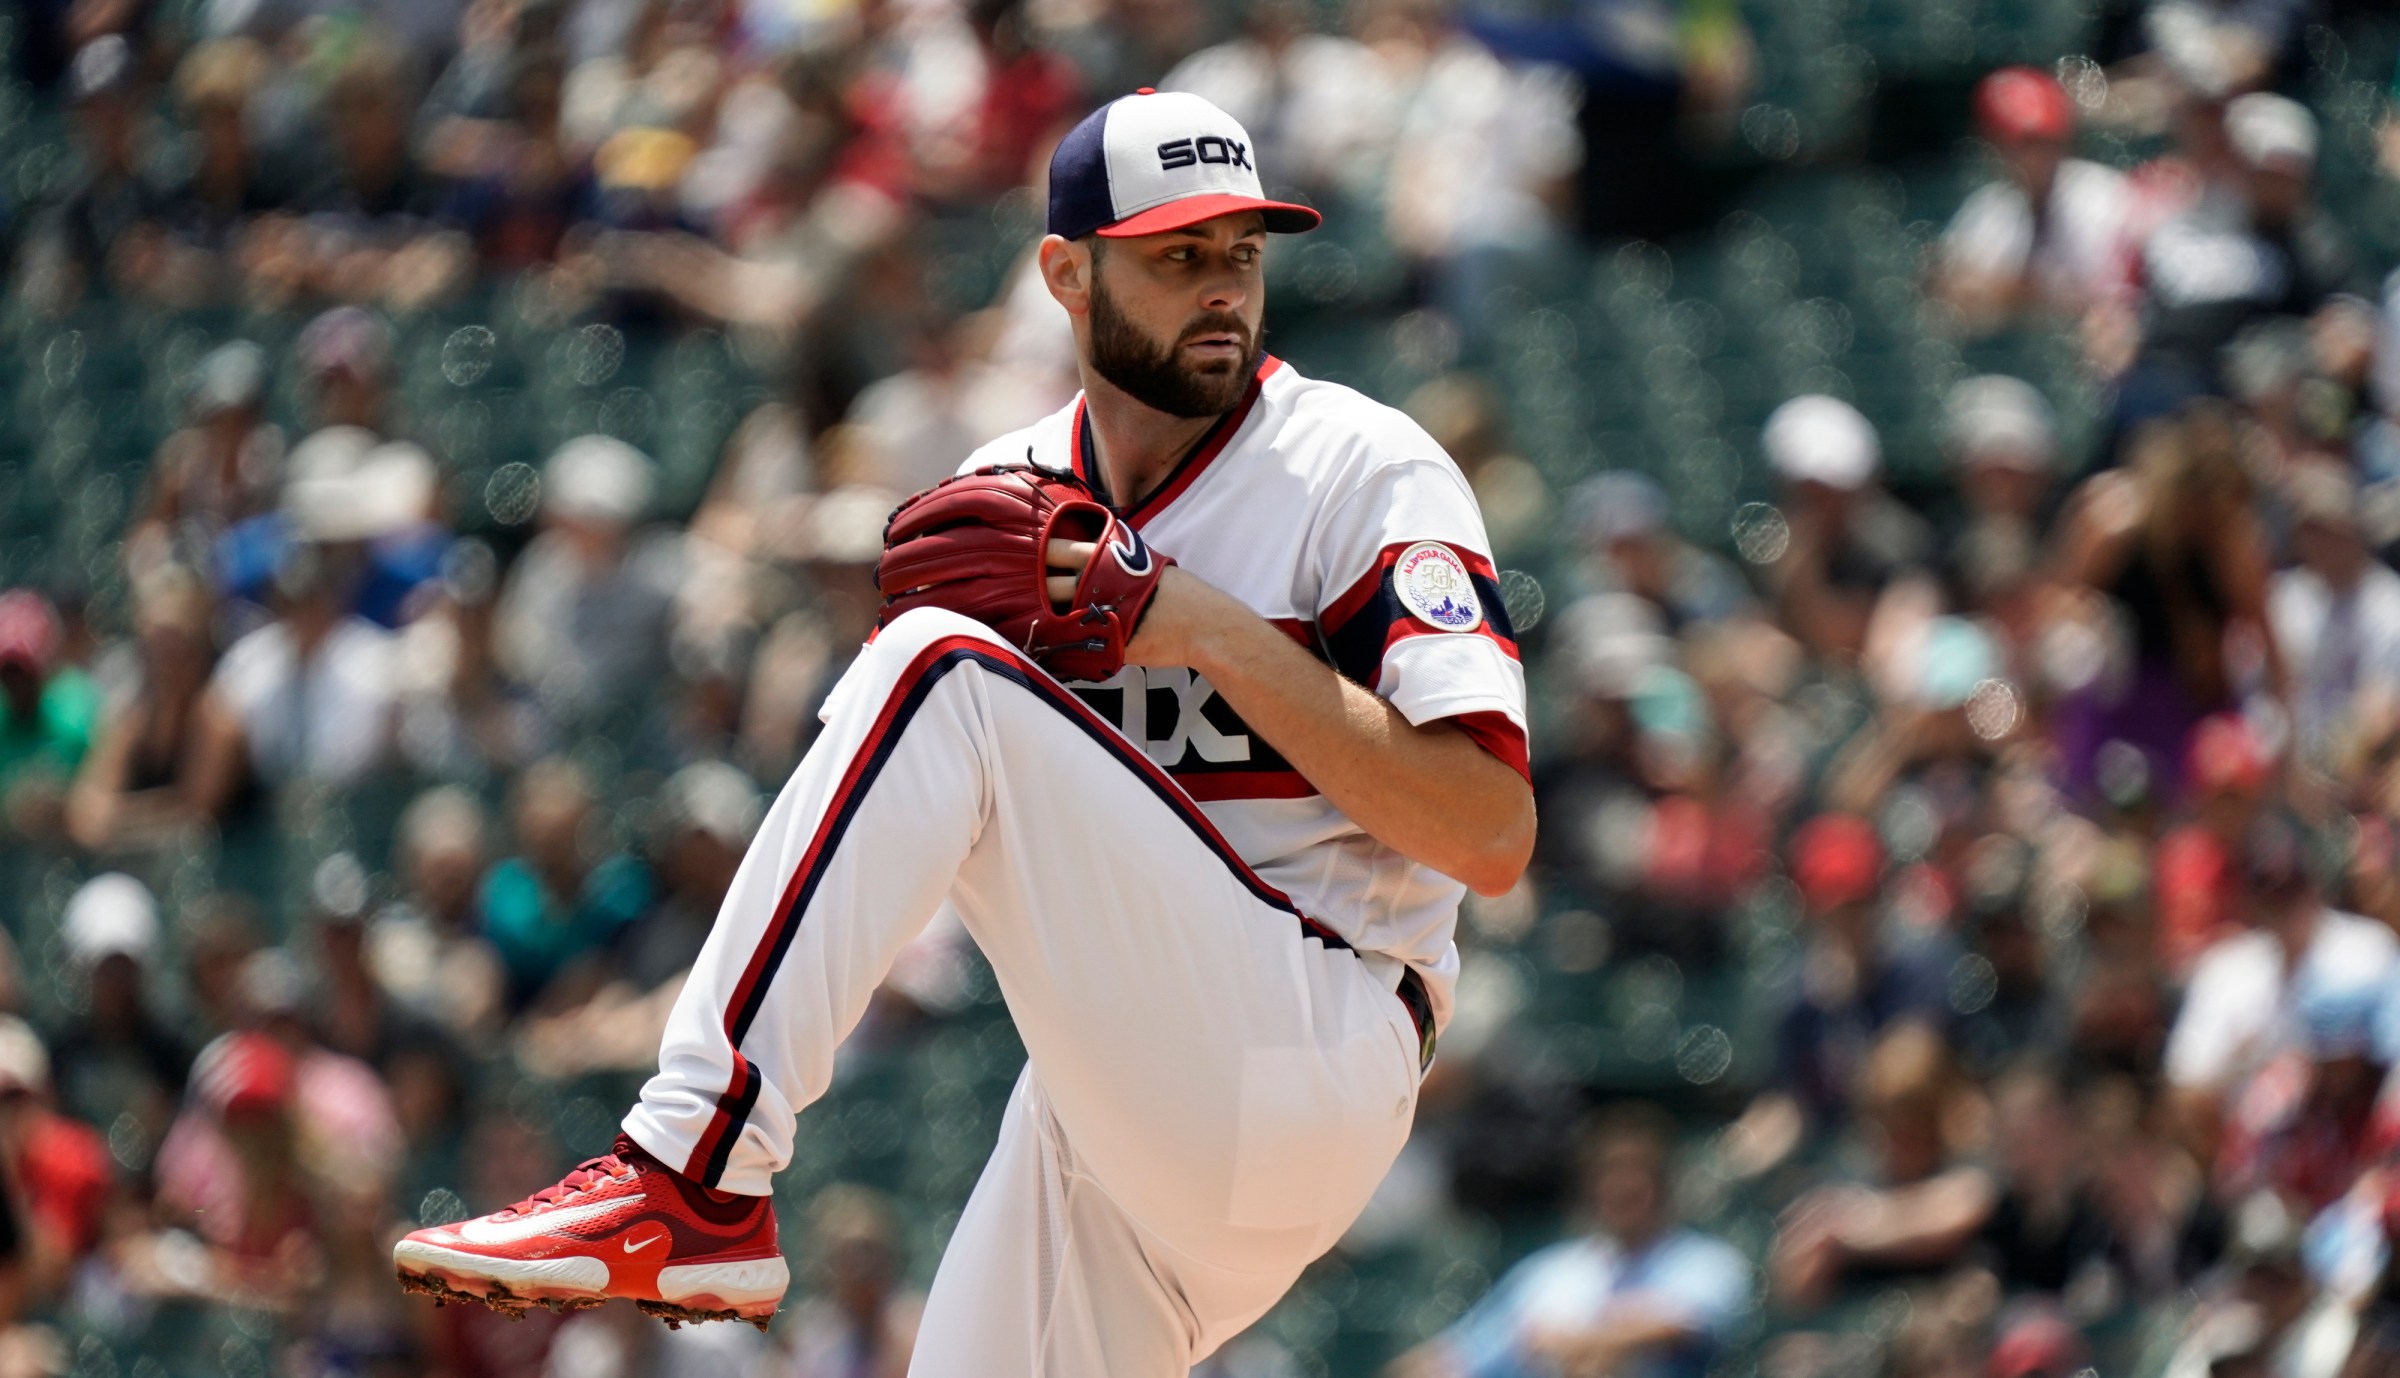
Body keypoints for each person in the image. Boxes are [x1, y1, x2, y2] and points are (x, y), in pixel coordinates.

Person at [395, 89, 1534, 1378]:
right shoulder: (1011, 487)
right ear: (1066, 272)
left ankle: (694, 1168)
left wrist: (1198, 625)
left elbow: (1490, 836)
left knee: (941, 668)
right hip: (1114, 1112)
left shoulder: (1361, 467)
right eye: (1178, 256)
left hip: (1318, 1042)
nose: (1223, 288)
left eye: (1243, 253)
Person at [1386, 1105, 1751, 1378]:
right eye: (1609, 1174)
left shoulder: (1707, 1261)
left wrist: (1586, 1342)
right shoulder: (1549, 1272)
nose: (1622, 1188)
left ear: (1662, 1183)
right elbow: (1460, 1356)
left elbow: (1687, 1326)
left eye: (1636, 1173)